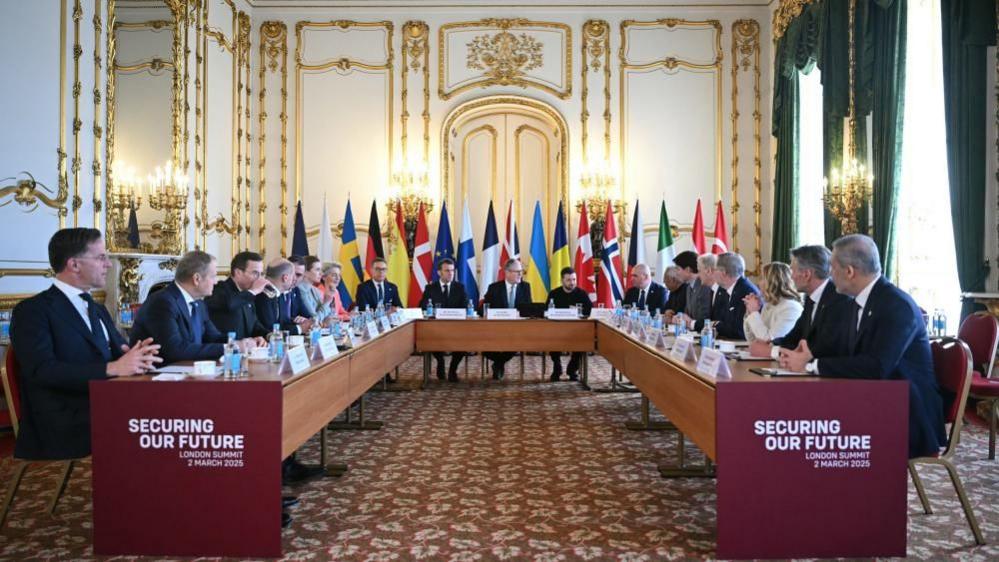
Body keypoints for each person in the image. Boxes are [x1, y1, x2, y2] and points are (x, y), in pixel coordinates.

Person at [779, 234, 946, 459]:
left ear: (849, 271)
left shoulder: (896, 305)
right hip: (872, 398)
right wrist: (809, 356)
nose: (829, 274)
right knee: (803, 420)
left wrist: (811, 365)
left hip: (907, 411)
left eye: (832, 268)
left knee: (816, 431)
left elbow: (877, 367)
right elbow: (847, 354)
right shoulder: (859, 301)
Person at [10, 228, 161, 459]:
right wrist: (113, 368)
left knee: (167, 413)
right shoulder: (32, 311)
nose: (109, 265)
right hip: (62, 417)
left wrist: (138, 357)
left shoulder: (97, 309)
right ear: (74, 265)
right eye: (101, 257)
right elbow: (42, 370)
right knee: (154, 426)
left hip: (102, 403)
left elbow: (120, 353)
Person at [131, 251, 255, 364]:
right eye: (213, 276)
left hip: (188, 372)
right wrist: (232, 347)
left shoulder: (199, 303)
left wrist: (246, 342)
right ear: (196, 279)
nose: (216, 282)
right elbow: (175, 349)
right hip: (157, 378)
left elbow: (213, 337)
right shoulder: (162, 302)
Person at [748, 245, 852, 360]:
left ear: (807, 274)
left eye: (792, 270)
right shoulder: (812, 298)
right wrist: (770, 344)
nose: (790, 276)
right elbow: (793, 338)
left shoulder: (839, 299)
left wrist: (772, 351)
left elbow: (823, 348)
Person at [481, 259, 533, 380]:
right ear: (507, 272)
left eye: (522, 271)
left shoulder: (525, 287)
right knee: (482, 344)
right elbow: (483, 309)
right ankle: (500, 363)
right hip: (495, 329)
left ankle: (498, 364)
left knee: (516, 343)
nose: (521, 274)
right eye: (517, 272)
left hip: (517, 330)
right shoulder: (494, 288)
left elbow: (528, 309)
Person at [689, 252, 761, 339]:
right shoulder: (730, 289)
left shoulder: (745, 292)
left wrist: (716, 324)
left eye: (714, 269)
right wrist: (717, 324)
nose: (712, 272)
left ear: (723, 273)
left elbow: (738, 331)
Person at [418, 258, 468, 381]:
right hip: (436, 327)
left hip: (456, 327)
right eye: (447, 271)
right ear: (439, 272)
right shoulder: (430, 288)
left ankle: (452, 369)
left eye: (452, 270)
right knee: (431, 340)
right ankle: (440, 362)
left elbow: (466, 307)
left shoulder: (459, 287)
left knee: (466, 341)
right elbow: (422, 306)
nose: (450, 273)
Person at [206, 251, 271, 341]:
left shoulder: (248, 292)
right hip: (224, 350)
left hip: (247, 351)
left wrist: (269, 335)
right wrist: (254, 291)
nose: (259, 278)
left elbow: (254, 324)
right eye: (255, 273)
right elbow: (230, 304)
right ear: (238, 272)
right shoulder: (219, 288)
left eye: (261, 274)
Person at [546, 267, 592, 381]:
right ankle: (557, 367)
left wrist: (577, 311)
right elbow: (546, 311)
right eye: (569, 280)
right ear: (562, 280)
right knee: (550, 338)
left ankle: (572, 368)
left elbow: (590, 311)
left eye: (574, 279)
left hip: (577, 330)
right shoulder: (554, 293)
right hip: (557, 329)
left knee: (583, 341)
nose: (572, 283)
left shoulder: (582, 294)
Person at [742, 262, 803, 343]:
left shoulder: (791, 308)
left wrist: (754, 312)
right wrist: (749, 312)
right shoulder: (769, 305)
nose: (758, 283)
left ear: (773, 282)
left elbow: (770, 342)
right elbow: (752, 340)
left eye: (761, 278)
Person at [255, 259, 313, 335]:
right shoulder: (264, 296)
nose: (294, 279)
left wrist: (296, 322)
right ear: (285, 278)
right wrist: (299, 329)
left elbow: (282, 323)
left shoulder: (277, 294)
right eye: (293, 275)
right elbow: (271, 330)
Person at [298, 256, 334, 324]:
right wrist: (326, 303)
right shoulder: (300, 290)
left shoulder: (316, 290)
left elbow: (327, 318)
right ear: (305, 272)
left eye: (321, 270)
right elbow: (314, 319)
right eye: (317, 270)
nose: (321, 273)